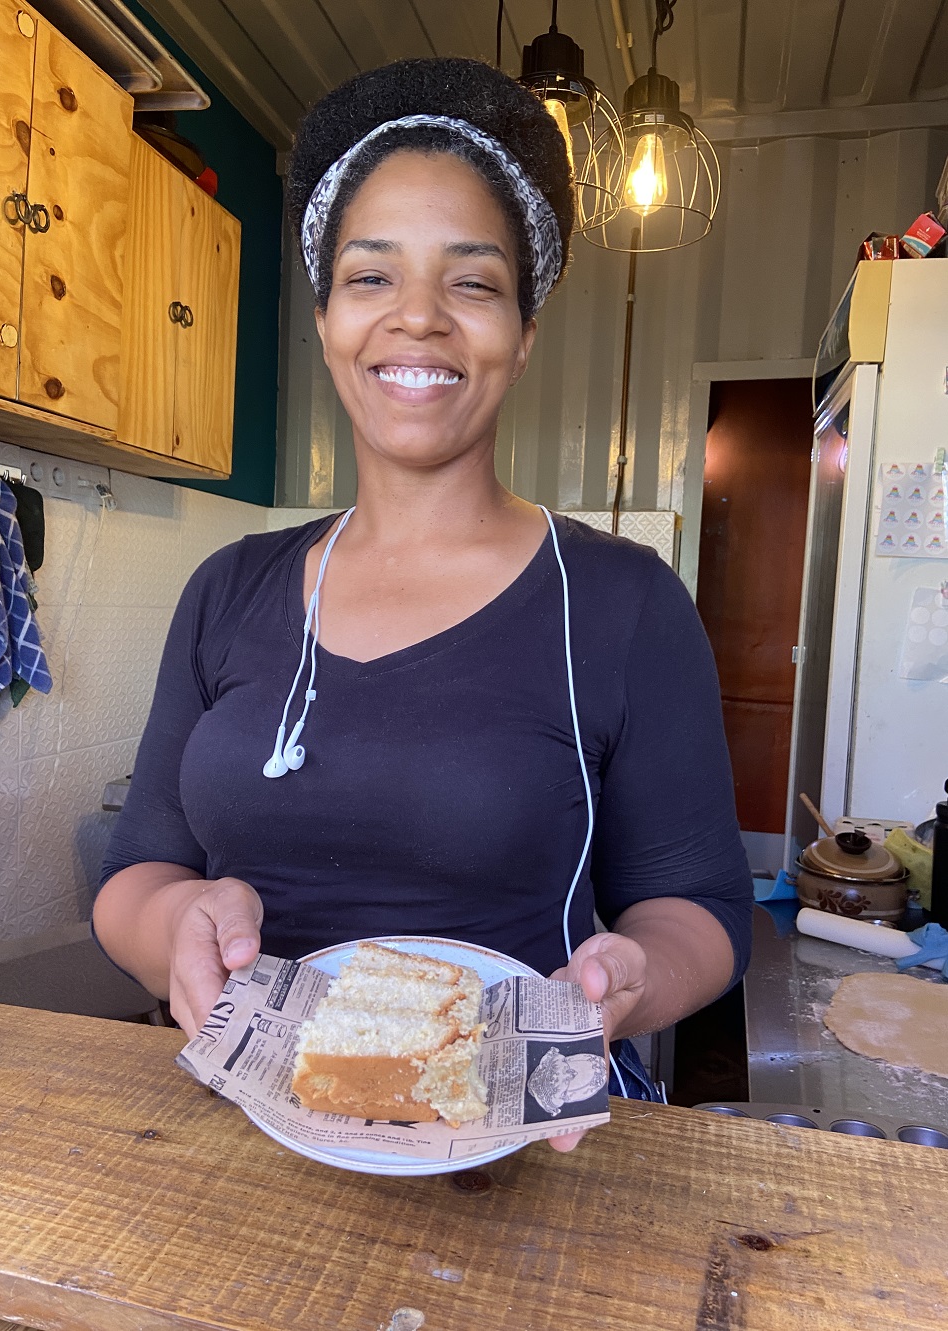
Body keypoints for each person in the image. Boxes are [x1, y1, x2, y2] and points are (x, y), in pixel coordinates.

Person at [94, 57, 752, 1143]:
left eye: (472, 280)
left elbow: (703, 908)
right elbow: (138, 872)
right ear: (323, 321)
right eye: (370, 276)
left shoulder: (622, 602)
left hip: (518, 1134)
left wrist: (635, 974)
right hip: (245, 1128)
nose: (418, 318)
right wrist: (174, 922)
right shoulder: (228, 589)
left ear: (523, 332)